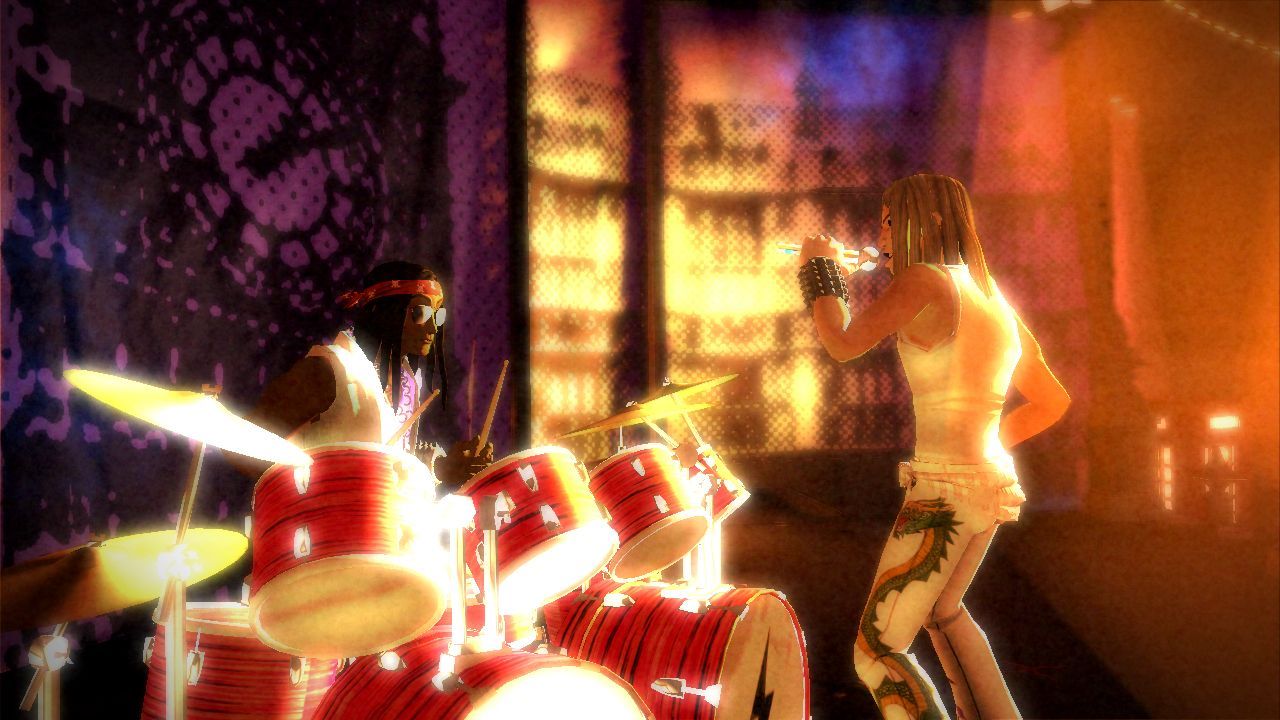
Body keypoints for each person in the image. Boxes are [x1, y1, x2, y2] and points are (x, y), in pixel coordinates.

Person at [797, 173, 1070, 720]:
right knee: (944, 614)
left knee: (877, 651)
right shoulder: (991, 296)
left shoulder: (923, 280)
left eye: (890, 221)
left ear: (931, 222)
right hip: (989, 485)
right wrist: (983, 447)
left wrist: (820, 272)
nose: (882, 234)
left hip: (943, 494)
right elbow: (1052, 400)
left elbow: (843, 343)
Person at [231, 261, 493, 489]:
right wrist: (317, 488)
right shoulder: (331, 369)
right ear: (385, 311)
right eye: (420, 312)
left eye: (438, 314)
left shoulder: (407, 382)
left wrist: (442, 468)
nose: (433, 328)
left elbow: (393, 467)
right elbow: (243, 448)